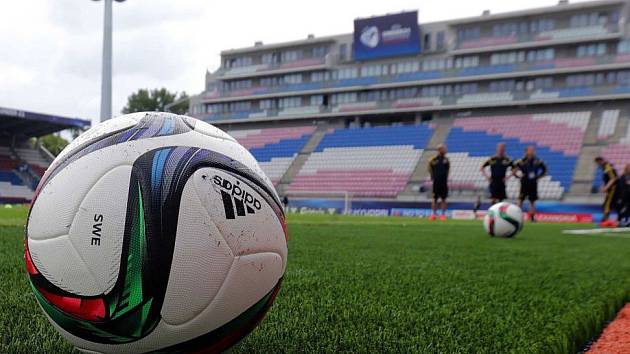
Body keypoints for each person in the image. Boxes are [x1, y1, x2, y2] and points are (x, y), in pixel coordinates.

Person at [513, 146, 547, 222]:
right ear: (526, 151)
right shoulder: (521, 161)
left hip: (533, 183)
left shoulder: (537, 161)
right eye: (530, 150)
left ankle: (532, 217)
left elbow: (545, 170)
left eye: (533, 150)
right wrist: (518, 176)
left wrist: (538, 177)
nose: (532, 151)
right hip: (524, 183)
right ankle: (517, 217)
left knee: (532, 201)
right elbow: (513, 169)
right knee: (521, 200)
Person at [594, 157, 619, 227]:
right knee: (607, 204)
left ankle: (606, 220)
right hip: (611, 189)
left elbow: (613, 178)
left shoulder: (607, 166)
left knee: (607, 204)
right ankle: (607, 220)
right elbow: (606, 179)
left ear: (600, 161)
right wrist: (603, 187)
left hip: (613, 189)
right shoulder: (604, 167)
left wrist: (606, 187)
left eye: (598, 163)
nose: (597, 164)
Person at [428, 144, 450, 221]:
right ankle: (434, 214)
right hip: (436, 182)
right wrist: (433, 177)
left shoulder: (446, 160)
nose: (445, 150)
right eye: (444, 149)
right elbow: (430, 169)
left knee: (443, 199)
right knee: (434, 199)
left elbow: (447, 170)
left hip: (444, 182)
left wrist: (445, 178)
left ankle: (443, 215)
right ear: (439, 150)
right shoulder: (433, 160)